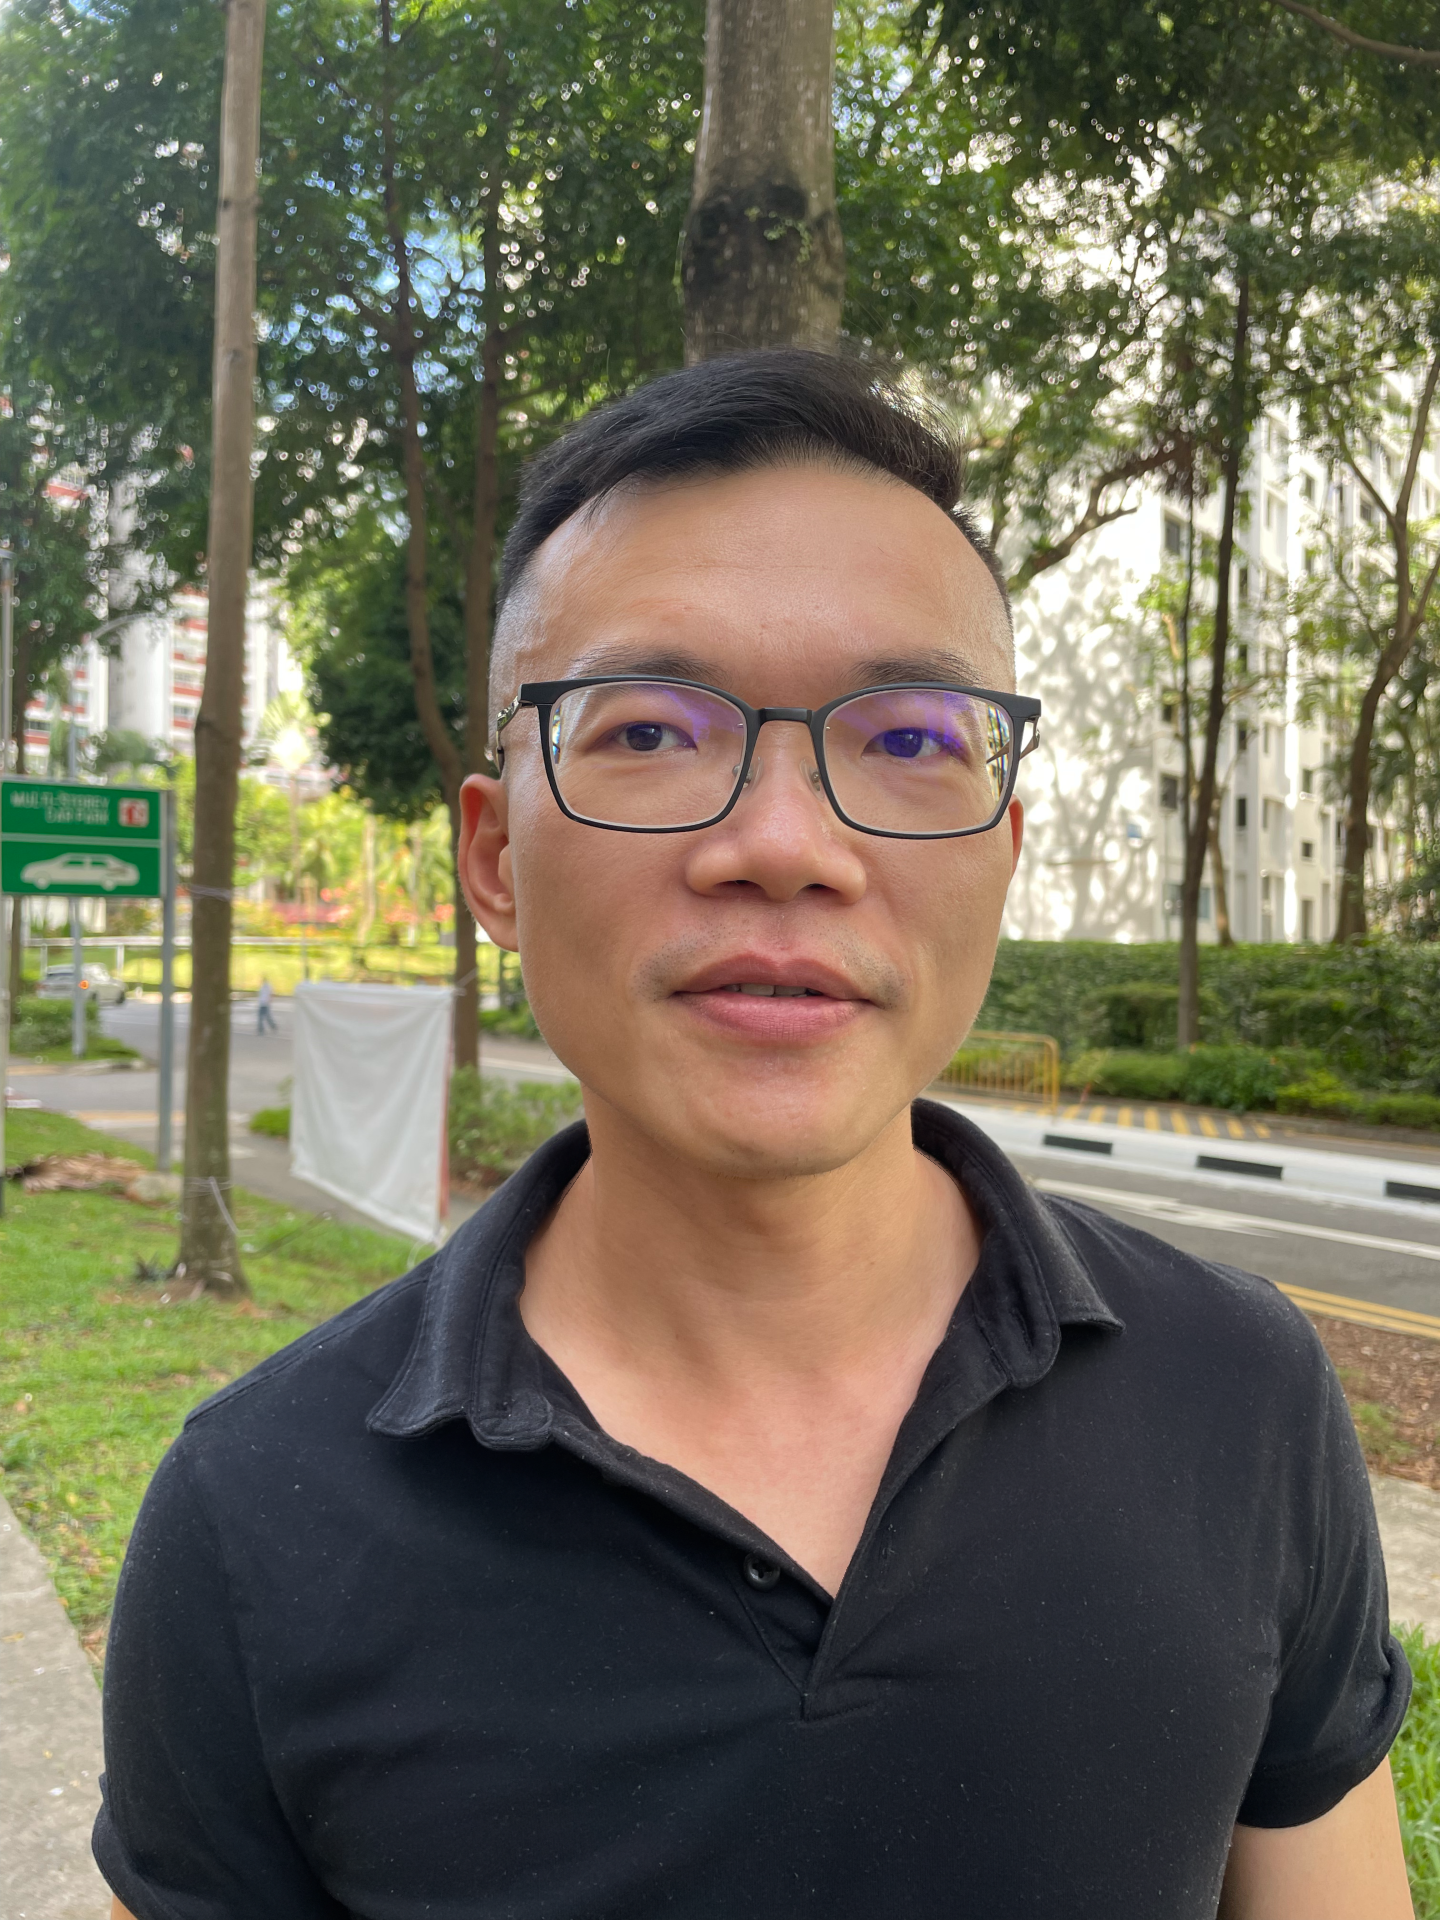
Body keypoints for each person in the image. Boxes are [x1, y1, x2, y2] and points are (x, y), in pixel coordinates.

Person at [95, 352, 1412, 1920]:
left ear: (1001, 852)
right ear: (494, 857)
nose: (785, 846)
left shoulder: (1241, 1399)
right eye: (648, 730)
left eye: (912, 737)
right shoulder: (256, 1516)